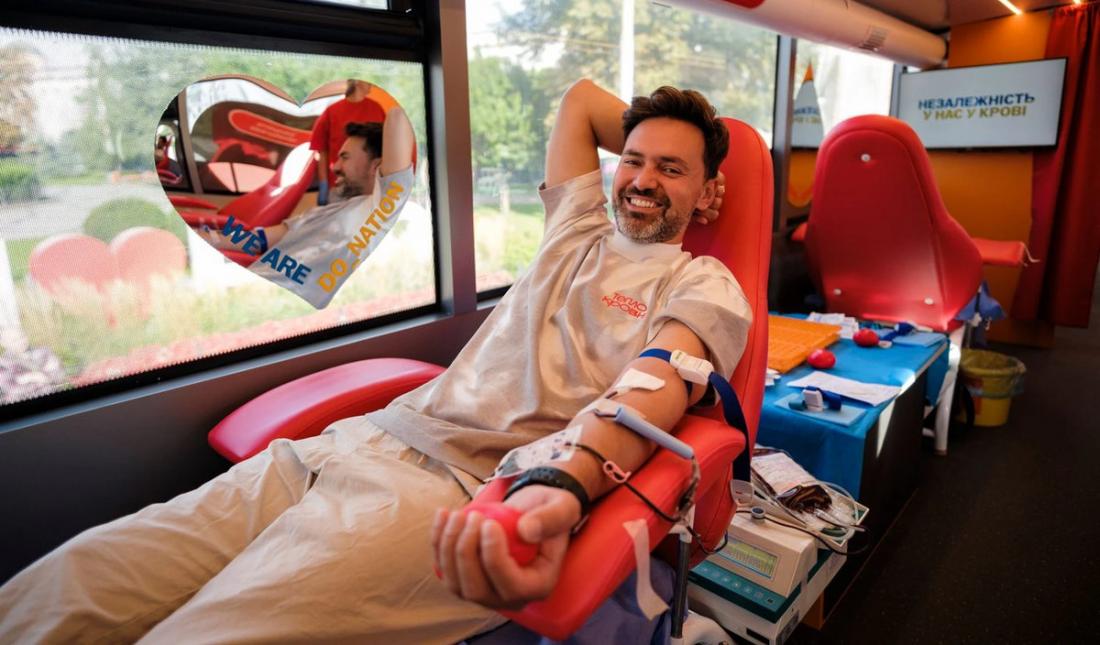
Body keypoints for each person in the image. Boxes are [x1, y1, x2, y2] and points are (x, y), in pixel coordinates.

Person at [0, 79, 751, 643]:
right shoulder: (576, 226)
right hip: (353, 442)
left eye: (673, 170)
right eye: (633, 160)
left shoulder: (701, 283)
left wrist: (563, 481)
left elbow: (652, 389)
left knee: (198, 634)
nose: (642, 180)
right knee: (70, 581)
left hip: (450, 491)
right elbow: (581, 101)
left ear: (709, 192)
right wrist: (668, 144)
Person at [201, 115, 419, 309]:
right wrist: (208, 238)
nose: (334, 167)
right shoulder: (326, 212)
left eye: (345, 157)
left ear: (376, 166)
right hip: (248, 290)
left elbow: (398, 118)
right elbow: (257, 240)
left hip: (279, 308)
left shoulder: (383, 210)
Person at [310, 79, 386, 205]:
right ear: (357, 82)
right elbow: (322, 153)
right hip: (340, 186)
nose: (371, 85)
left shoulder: (377, 109)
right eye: (368, 82)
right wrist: (323, 184)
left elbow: (388, 148)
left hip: (371, 187)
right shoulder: (332, 111)